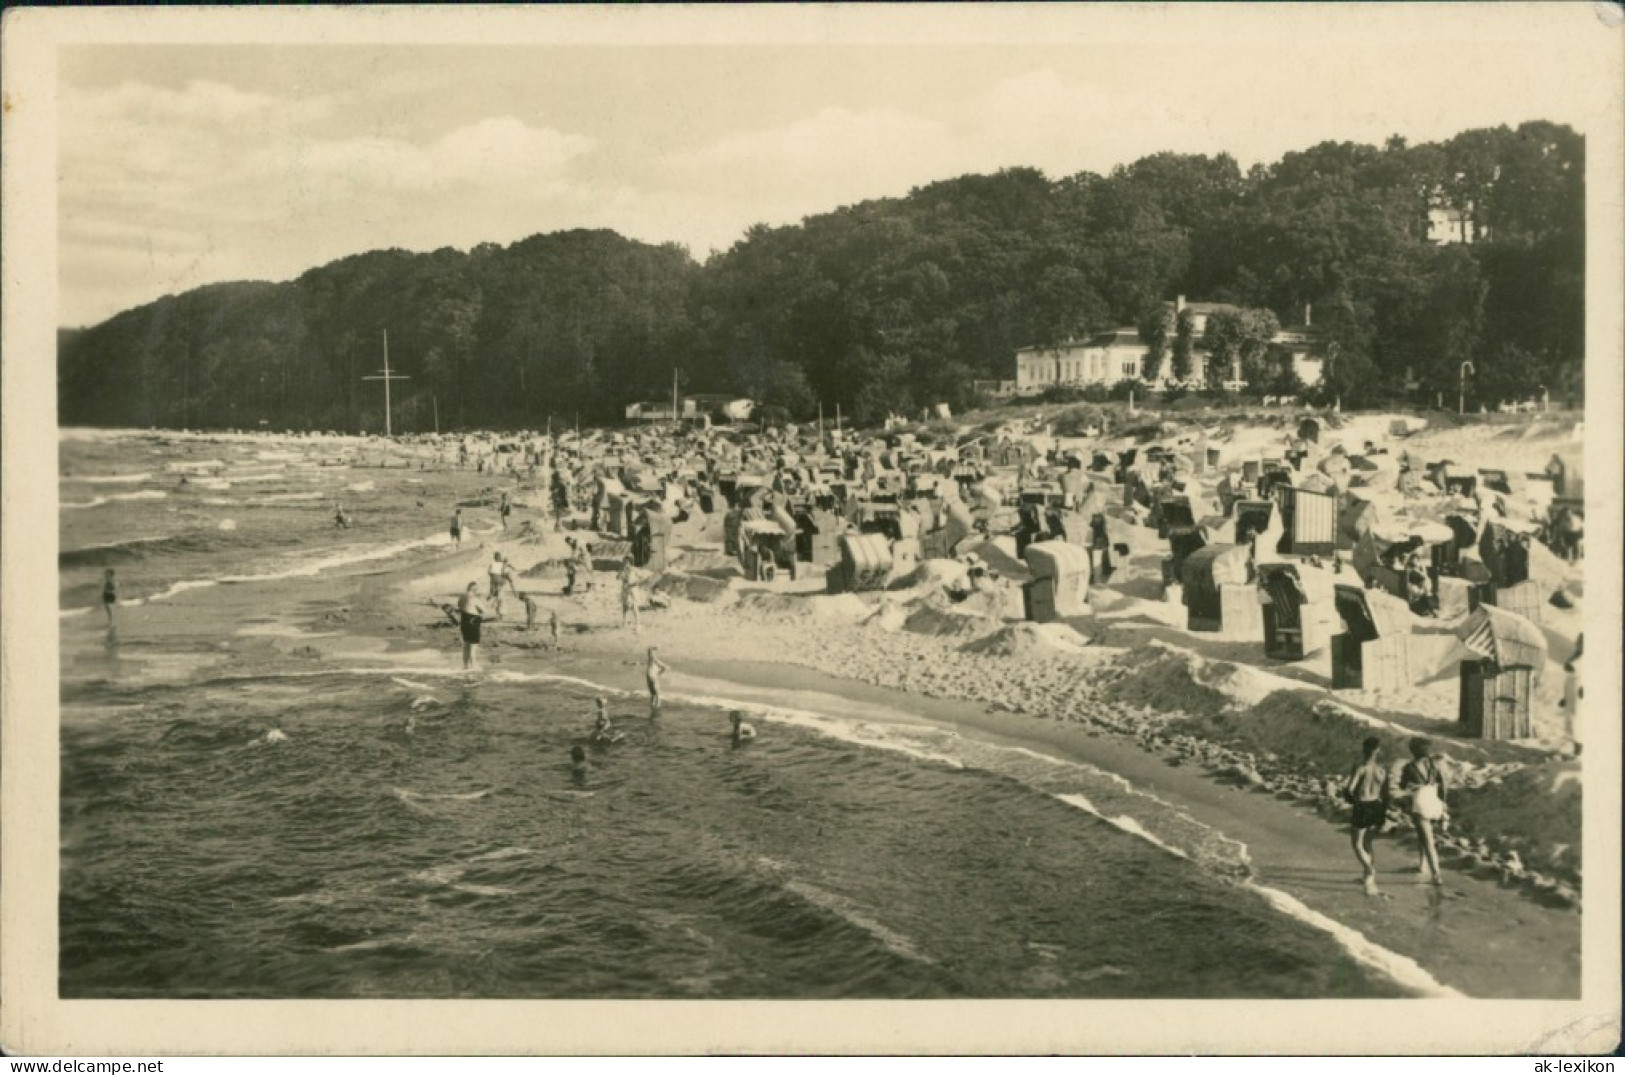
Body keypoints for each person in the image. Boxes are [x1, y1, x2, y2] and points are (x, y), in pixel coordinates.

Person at [1394, 737, 1448, 886]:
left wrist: (1412, 786)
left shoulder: (1409, 767)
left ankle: (1436, 875)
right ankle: (1422, 865)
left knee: (1426, 838)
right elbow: (1443, 785)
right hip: (1434, 799)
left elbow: (1403, 786)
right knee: (1425, 836)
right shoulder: (1434, 765)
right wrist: (1443, 803)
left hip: (1420, 800)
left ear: (1413, 751)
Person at [1344, 737, 1389, 894]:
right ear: (1378, 751)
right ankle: (1368, 879)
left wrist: (1350, 800)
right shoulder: (1381, 770)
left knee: (1356, 844)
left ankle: (1369, 869)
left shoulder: (1360, 767)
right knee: (1368, 843)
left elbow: (1350, 788)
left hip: (1362, 805)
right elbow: (1386, 794)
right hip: (1376, 806)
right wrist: (1383, 811)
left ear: (1364, 749)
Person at [457, 582, 485, 671]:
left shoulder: (462, 597)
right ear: (475, 590)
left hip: (464, 620)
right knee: (473, 646)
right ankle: (473, 666)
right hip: (473, 621)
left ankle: (465, 666)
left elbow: (460, 606)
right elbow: (484, 609)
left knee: (466, 645)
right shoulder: (474, 598)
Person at [645, 646, 669, 717]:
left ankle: (653, 708)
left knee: (653, 694)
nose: (649, 654)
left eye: (650, 653)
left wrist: (659, 672)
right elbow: (664, 667)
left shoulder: (651, 659)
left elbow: (663, 667)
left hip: (649, 676)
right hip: (652, 677)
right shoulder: (653, 659)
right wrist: (660, 672)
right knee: (657, 694)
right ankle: (656, 709)